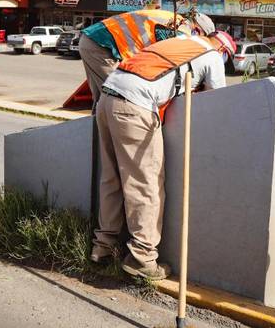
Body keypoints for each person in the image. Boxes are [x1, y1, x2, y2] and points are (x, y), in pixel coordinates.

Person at [90, 31, 236, 280]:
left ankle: (103, 247)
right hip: (134, 106)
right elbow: (217, 101)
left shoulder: (180, 42)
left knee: (111, 177)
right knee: (146, 183)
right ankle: (142, 258)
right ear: (224, 51)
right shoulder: (211, 56)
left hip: (108, 96)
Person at [79, 10, 216, 108]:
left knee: (104, 100)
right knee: (119, 98)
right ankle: (103, 143)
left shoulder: (173, 19)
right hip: (102, 45)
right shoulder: (180, 30)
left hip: (95, 39)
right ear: (198, 30)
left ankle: (97, 142)